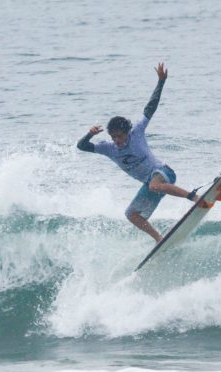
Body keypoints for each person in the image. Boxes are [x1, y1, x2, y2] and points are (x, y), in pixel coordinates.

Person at [77, 62, 199, 243]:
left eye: (119, 136)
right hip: (151, 183)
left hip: (164, 173)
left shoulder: (137, 132)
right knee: (131, 214)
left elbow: (150, 107)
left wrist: (161, 82)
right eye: (113, 137)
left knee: (154, 185)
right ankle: (159, 239)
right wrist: (89, 134)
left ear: (127, 132)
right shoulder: (108, 148)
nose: (117, 141)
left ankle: (194, 197)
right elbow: (81, 146)